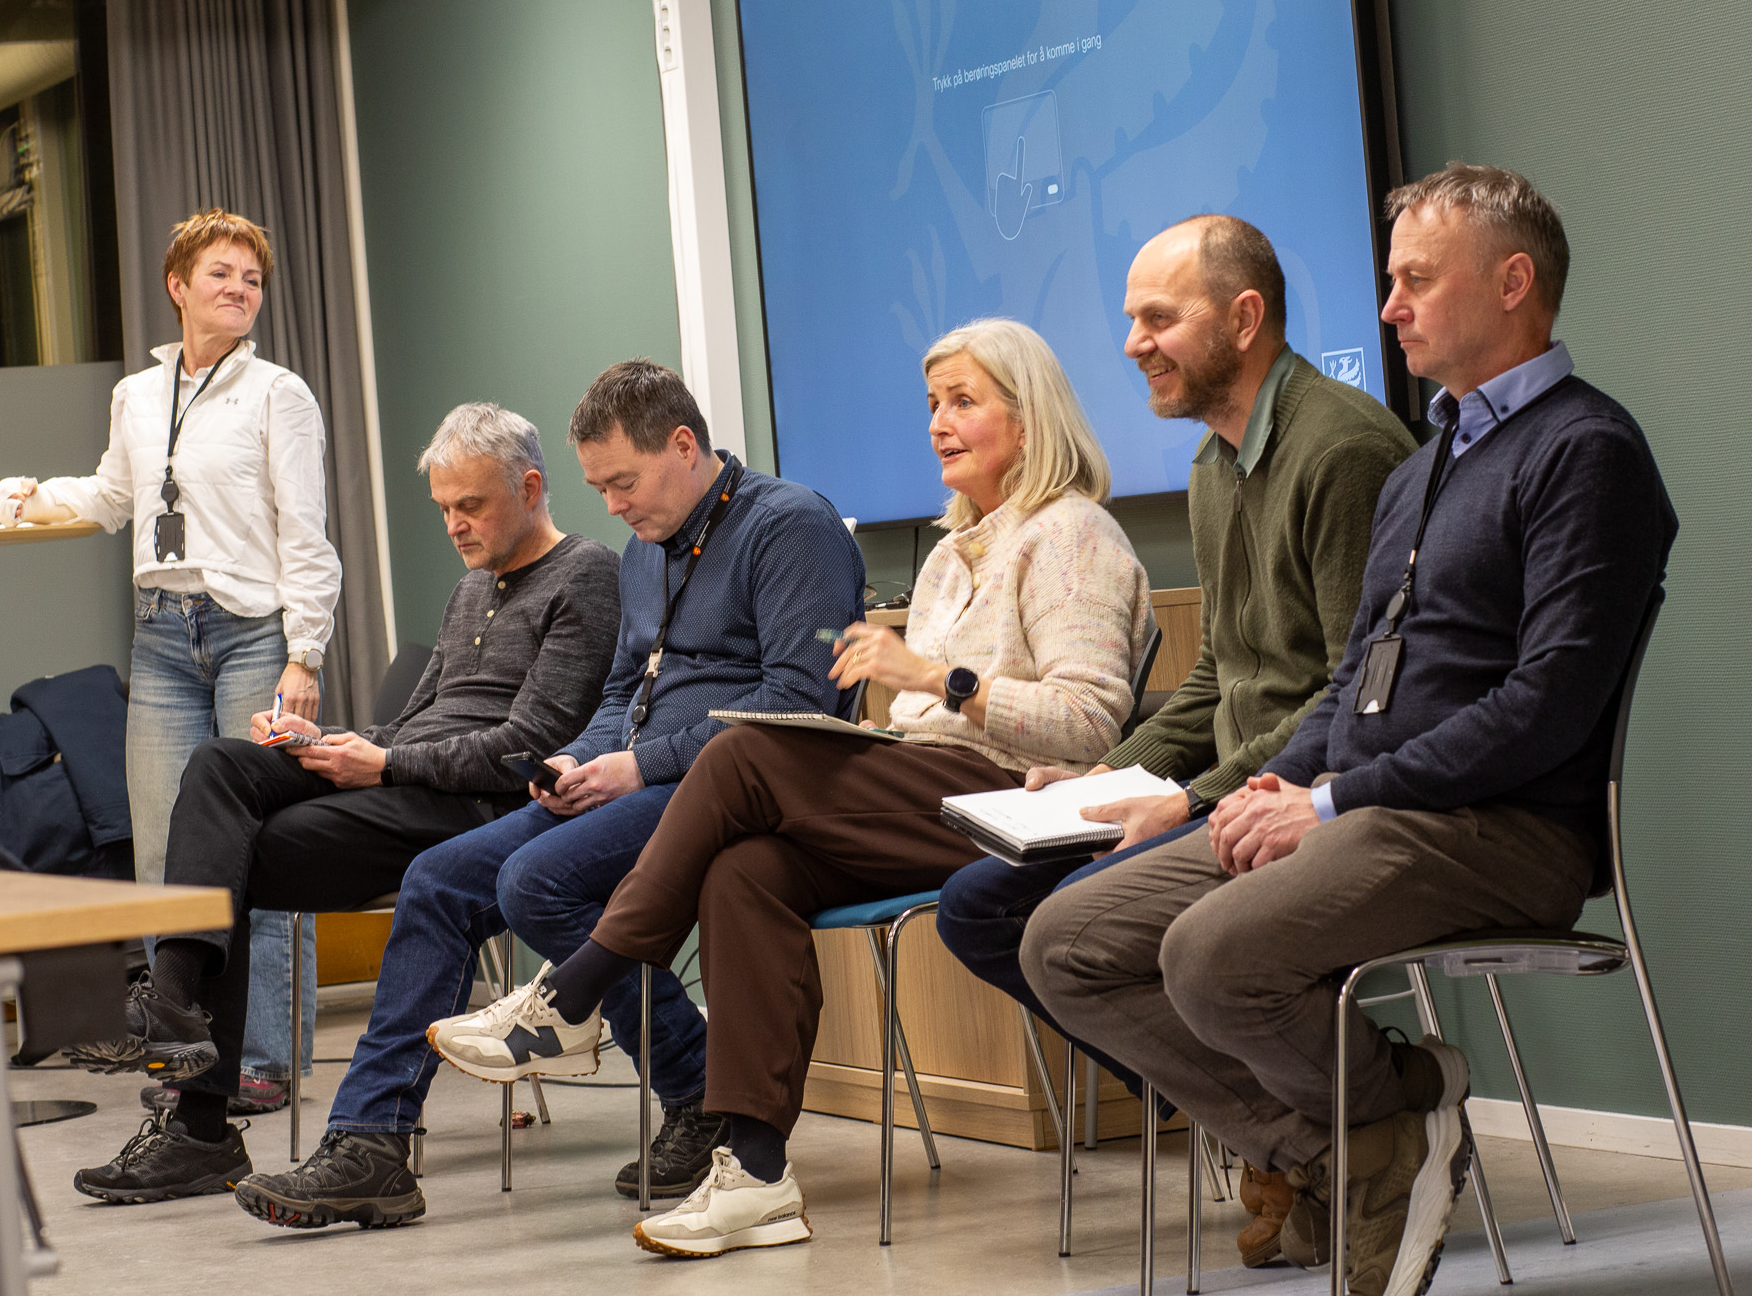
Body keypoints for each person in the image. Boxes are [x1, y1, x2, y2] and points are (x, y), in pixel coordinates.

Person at [1023, 164, 1677, 1296]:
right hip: (1367, 811)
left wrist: (1329, 801)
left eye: (1416, 280)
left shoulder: (1587, 450)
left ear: (1512, 283)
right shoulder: (1425, 466)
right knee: (1064, 942)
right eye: (1390, 280)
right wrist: (1267, 789)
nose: (1388, 306)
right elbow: (1350, 686)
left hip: (1503, 829)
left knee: (1210, 954)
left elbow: (1545, 706)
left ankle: (1382, 1137)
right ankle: (1363, 1139)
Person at [425, 317, 1151, 1258]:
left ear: (1032, 414)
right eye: (933, 403)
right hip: (919, 784)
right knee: (746, 871)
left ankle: (572, 995)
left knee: (739, 752)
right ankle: (757, 1177)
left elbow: (1088, 723)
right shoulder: (949, 552)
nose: (938, 422)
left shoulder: (1075, 535)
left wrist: (942, 679)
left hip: (1010, 798)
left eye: (963, 401)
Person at [229, 360, 866, 1229]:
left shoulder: (790, 526)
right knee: (437, 877)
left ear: (685, 446)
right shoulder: (646, 550)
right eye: (598, 486)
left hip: (739, 785)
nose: (612, 505)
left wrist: (638, 765)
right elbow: (622, 694)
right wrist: (578, 758)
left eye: (623, 482)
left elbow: (796, 704)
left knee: (536, 880)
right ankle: (371, 1141)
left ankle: (693, 1084)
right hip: (637, 776)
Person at [934, 214, 1414, 1264]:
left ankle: (1346, 1126)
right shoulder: (1211, 463)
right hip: (1235, 788)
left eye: (1157, 317)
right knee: (980, 905)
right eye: (1130, 319)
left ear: (1243, 318)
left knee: (1064, 936)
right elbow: (1218, 676)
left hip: (1306, 795)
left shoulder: (1343, 452)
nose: (1130, 343)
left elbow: (1355, 694)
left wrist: (1192, 799)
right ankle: (1298, 1139)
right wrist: (1110, 770)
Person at [66, 402, 621, 1204]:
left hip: (481, 810)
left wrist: (384, 763)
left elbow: (526, 744)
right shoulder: (472, 588)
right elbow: (415, 724)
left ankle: (198, 1121)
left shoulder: (587, 573)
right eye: (443, 508)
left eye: (470, 505)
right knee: (222, 764)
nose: (454, 525)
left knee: (228, 859)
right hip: (407, 781)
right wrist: (325, 740)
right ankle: (176, 1004)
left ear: (530, 488)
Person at [0, 208, 341, 1113]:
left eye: (252, 279)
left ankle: (264, 1059)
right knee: (161, 853)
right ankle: (185, 1056)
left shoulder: (280, 394)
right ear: (178, 285)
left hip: (254, 633)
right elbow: (114, 495)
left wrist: (305, 652)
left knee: (263, 850)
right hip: (161, 636)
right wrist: (32, 496)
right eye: (221, 273)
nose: (239, 289)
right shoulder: (137, 395)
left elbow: (307, 533)